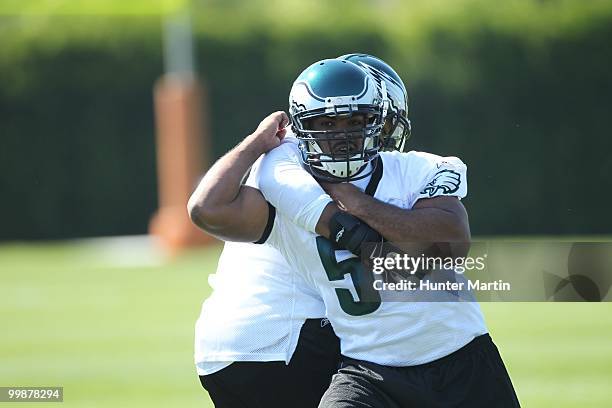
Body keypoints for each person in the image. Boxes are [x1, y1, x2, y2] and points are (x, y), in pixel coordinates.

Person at [190, 56, 519, 407]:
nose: (344, 134)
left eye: (356, 120)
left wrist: (354, 202)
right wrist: (258, 142)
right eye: (328, 123)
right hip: (368, 371)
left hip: (461, 360)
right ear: (303, 128)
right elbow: (206, 209)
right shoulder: (288, 194)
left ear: (376, 121)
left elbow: (450, 243)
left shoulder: (417, 168)